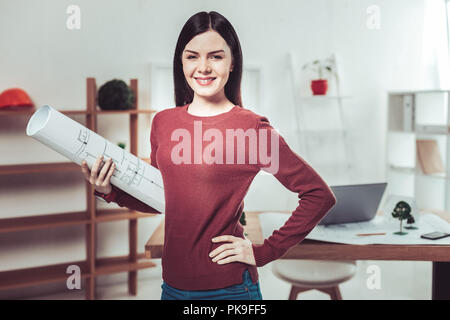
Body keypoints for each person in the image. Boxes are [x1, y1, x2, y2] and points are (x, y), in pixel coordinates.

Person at [81, 11, 336, 300]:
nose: (203, 67)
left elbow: (318, 194)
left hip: (230, 289)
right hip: (172, 285)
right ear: (181, 61)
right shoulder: (163, 123)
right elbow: (164, 201)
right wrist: (109, 191)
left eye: (215, 56)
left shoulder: (251, 128)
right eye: (192, 57)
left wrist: (264, 251)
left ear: (232, 61)